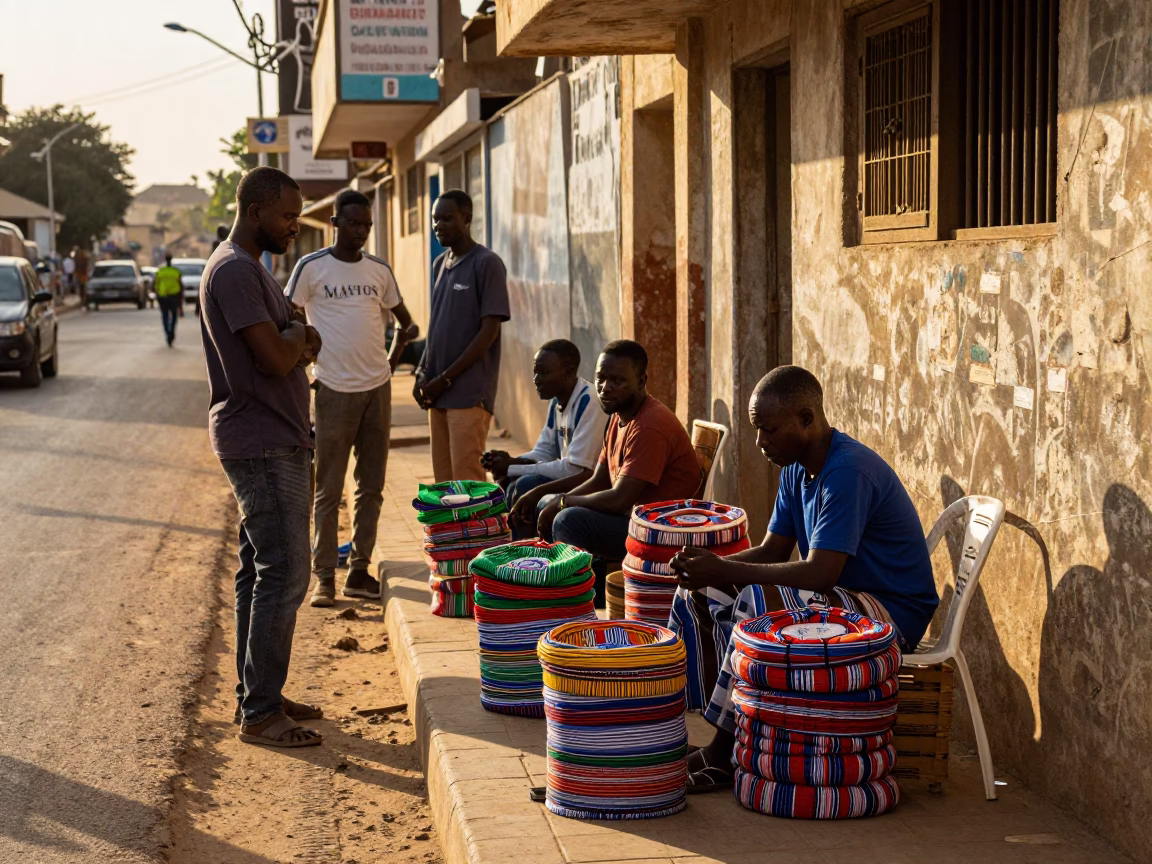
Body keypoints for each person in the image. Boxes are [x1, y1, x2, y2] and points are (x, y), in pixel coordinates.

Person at [667, 365, 940, 791]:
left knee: (758, 605)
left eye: (770, 430)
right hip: (841, 597)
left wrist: (726, 567)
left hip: (892, 612)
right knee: (702, 594)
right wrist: (708, 567)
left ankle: (721, 753)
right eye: (758, 431)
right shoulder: (796, 468)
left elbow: (818, 572)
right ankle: (719, 728)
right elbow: (773, 552)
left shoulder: (846, 472)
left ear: (807, 419)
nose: (761, 443)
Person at [200, 166, 325, 748]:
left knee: (261, 571)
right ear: (255, 211)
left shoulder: (251, 269)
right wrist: (299, 338)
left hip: (277, 437)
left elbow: (290, 339)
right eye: (286, 215)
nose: (295, 226)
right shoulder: (233, 272)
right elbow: (278, 356)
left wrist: (295, 336)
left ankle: (260, 696)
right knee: (287, 572)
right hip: (262, 441)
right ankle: (262, 712)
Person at [285, 188, 420, 608]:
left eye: (366, 225)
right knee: (327, 488)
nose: (360, 231)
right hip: (333, 390)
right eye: (354, 223)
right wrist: (306, 359)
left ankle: (358, 572)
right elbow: (287, 317)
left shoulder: (378, 270)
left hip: (376, 389)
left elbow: (406, 324)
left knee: (371, 486)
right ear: (336, 223)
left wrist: (390, 363)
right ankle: (324, 577)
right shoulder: (311, 268)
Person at [538, 339, 701, 564]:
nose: (605, 387)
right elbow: (600, 480)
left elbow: (619, 500)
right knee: (546, 504)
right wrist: (558, 500)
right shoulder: (618, 415)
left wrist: (565, 502)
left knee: (568, 520)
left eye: (617, 380)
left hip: (662, 531)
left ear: (642, 381)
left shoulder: (650, 425)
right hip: (635, 519)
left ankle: (580, 596)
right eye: (600, 378)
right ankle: (557, 583)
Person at [414, 189, 510, 482]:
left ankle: (481, 531)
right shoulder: (439, 264)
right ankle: (452, 532)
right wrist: (422, 372)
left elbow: (489, 332)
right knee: (444, 482)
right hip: (438, 394)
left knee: (468, 479)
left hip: (468, 394)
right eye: (434, 219)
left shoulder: (486, 263)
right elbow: (436, 327)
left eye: (447, 218)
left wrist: (445, 379)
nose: (438, 226)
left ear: (466, 219)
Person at [481, 339, 607, 538]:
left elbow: (575, 469)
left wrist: (514, 467)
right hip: (571, 476)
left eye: (544, 372)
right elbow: (544, 452)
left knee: (524, 485)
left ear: (568, 371)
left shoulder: (589, 401)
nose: (536, 379)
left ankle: (532, 554)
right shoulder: (556, 401)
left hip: (589, 483)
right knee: (511, 483)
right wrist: (511, 462)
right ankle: (517, 548)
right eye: (535, 372)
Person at [154, 254, 183, 347]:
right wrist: (181, 298)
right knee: (174, 316)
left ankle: (168, 332)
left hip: (163, 296)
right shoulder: (176, 271)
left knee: (165, 316)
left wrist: (157, 294)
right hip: (174, 296)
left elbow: (155, 285)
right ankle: (171, 331)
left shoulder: (160, 271)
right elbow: (181, 285)